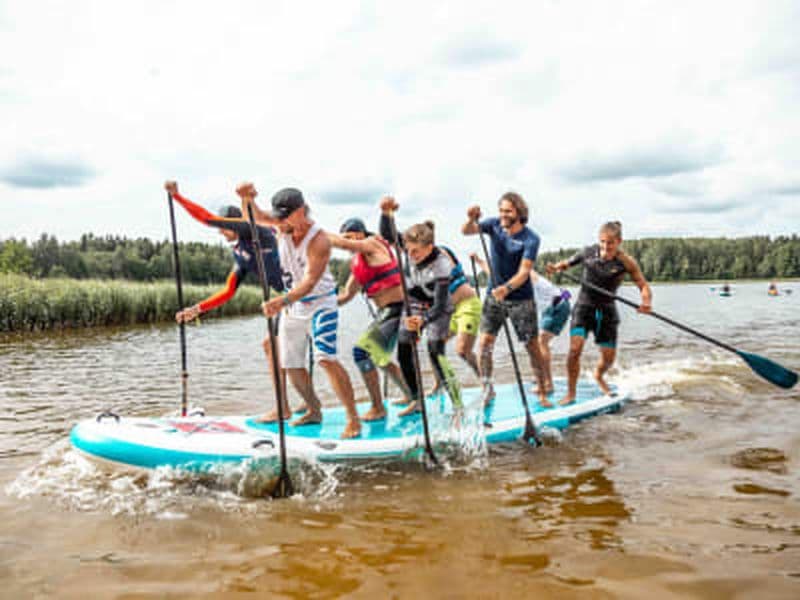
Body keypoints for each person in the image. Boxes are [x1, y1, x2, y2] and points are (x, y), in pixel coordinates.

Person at [238, 183, 361, 439]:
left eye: (285, 217)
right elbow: (254, 217)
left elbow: (309, 282)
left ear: (301, 211)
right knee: (290, 364)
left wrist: (281, 301)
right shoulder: (282, 224)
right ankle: (314, 410)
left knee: (325, 358)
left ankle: (353, 419)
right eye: (279, 217)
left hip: (320, 304)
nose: (280, 222)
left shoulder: (319, 240)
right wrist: (245, 198)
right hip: (293, 306)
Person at [461, 191, 551, 408]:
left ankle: (542, 391)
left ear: (519, 212)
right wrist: (471, 218)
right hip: (494, 297)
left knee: (532, 346)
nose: (503, 215)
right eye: (501, 210)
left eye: (508, 211)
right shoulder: (493, 225)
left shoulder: (531, 239)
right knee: (484, 345)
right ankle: (487, 390)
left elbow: (524, 272)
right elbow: (466, 231)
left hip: (521, 299)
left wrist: (507, 288)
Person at [547, 221, 652, 405]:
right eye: (602, 242)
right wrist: (556, 267)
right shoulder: (588, 252)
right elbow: (567, 264)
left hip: (606, 312)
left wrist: (646, 302)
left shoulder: (626, 262)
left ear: (619, 241)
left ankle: (599, 375)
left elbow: (643, 285)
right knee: (574, 349)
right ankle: (571, 393)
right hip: (583, 308)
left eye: (610, 243)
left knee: (608, 359)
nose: (605, 247)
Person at [379, 197, 462, 417]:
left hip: (439, 309)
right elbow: (387, 235)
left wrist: (424, 321)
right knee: (404, 349)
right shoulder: (408, 249)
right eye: (409, 250)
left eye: (416, 251)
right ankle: (417, 400)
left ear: (430, 247)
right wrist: (385, 212)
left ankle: (458, 406)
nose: (411, 256)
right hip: (414, 304)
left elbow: (439, 304)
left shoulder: (442, 265)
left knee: (436, 353)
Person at [164, 181, 283, 328]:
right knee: (270, 346)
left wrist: (177, 196)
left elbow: (206, 218)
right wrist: (196, 310)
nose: (220, 231)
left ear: (233, 224)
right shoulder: (240, 252)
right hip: (287, 297)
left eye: (223, 227)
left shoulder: (252, 230)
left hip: (302, 289)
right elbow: (228, 291)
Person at [329, 216, 412, 420]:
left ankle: (378, 408)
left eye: (349, 236)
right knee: (379, 358)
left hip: (399, 309)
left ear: (359, 233)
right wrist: (322, 303)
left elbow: (342, 243)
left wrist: (312, 234)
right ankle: (412, 395)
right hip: (387, 313)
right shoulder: (358, 263)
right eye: (344, 237)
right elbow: (347, 295)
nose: (346, 242)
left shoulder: (372, 244)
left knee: (361, 353)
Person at [471, 252, 570, 395]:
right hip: (553, 304)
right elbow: (494, 274)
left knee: (541, 342)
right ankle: (544, 379)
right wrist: (479, 261)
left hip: (558, 306)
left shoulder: (523, 273)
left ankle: (548, 384)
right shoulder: (510, 274)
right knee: (540, 342)